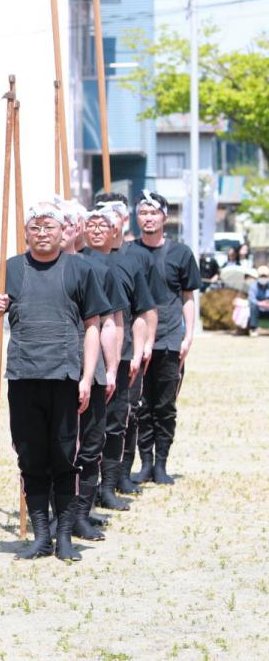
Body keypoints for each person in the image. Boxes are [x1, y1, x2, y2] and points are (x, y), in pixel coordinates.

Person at [0, 203, 109, 562]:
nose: (41, 233)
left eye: (48, 226)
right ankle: (41, 536)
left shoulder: (79, 270)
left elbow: (93, 326)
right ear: (26, 233)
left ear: (62, 231)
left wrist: (87, 377)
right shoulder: (10, 269)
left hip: (64, 375)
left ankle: (64, 535)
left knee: (64, 456)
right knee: (31, 456)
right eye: (35, 227)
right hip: (23, 374)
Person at [82, 203, 156, 512]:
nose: (97, 229)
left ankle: (109, 485)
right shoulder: (76, 261)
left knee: (116, 423)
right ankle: (82, 491)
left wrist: (139, 351)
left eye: (104, 224)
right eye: (92, 224)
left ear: (117, 229)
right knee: (86, 427)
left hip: (121, 356)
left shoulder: (129, 264)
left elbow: (143, 311)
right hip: (84, 356)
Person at [130, 191, 200, 486]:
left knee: (165, 405)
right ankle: (144, 462)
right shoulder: (127, 251)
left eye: (153, 213)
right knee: (139, 406)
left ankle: (161, 464)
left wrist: (189, 335)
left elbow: (188, 296)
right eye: (143, 213)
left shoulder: (180, 253)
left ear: (164, 217)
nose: (148, 218)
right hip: (136, 341)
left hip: (170, 338)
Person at [64, 205, 121, 542]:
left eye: (73, 222)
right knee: (56, 447)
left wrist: (111, 367)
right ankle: (57, 512)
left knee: (90, 446)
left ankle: (80, 514)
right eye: (61, 222)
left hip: (92, 368)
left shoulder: (98, 270)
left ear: (82, 227)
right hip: (50, 370)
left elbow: (110, 323)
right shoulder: (29, 267)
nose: (67, 228)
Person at [249, 266, 269, 336]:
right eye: (262, 276)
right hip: (258, 309)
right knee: (253, 306)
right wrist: (260, 303)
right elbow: (251, 299)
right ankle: (253, 329)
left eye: (265, 276)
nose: (263, 278)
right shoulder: (253, 286)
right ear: (258, 276)